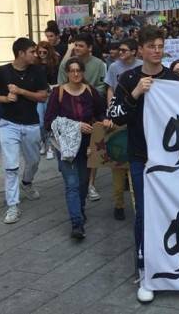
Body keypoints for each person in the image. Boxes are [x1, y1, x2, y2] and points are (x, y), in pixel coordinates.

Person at [108, 25, 179, 303]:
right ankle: (144, 266)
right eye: (151, 46)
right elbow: (115, 115)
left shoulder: (174, 78)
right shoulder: (128, 78)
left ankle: (173, 259)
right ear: (141, 49)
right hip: (141, 158)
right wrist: (136, 92)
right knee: (143, 212)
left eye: (161, 46)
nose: (157, 51)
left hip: (173, 159)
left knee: (174, 210)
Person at [0, 38, 48, 224]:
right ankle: (13, 206)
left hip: (31, 124)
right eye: (32, 51)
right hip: (8, 124)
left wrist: (21, 92)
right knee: (11, 166)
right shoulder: (1, 72)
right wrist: (4, 99)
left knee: (33, 161)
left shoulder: (37, 71)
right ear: (21, 53)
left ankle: (27, 183)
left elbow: (42, 96)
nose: (35, 54)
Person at [44, 58, 107, 239]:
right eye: (72, 70)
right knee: (71, 183)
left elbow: (100, 112)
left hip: (87, 145)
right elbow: (49, 122)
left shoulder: (90, 92)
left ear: (83, 72)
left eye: (79, 70)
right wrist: (75, 126)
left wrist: (104, 121)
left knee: (83, 182)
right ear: (67, 73)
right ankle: (76, 224)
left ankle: (79, 210)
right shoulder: (59, 93)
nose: (76, 73)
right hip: (65, 146)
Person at [58, 33, 107, 202]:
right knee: (74, 159)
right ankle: (75, 183)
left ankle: (90, 184)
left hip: (91, 112)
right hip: (70, 116)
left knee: (92, 152)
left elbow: (102, 85)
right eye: (75, 45)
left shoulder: (99, 64)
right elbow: (60, 86)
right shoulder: (66, 63)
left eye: (80, 45)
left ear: (89, 47)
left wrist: (88, 92)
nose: (77, 48)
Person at [103, 38, 142, 221]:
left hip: (136, 118)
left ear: (134, 51)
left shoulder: (143, 66)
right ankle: (118, 203)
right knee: (117, 162)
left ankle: (138, 205)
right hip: (119, 118)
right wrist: (111, 112)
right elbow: (110, 90)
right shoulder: (113, 68)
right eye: (120, 50)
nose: (121, 53)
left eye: (125, 50)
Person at [36, 41, 59, 159]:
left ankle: (50, 146)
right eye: (39, 52)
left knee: (50, 121)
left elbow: (58, 80)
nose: (41, 54)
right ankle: (42, 143)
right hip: (39, 95)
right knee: (40, 123)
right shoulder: (35, 64)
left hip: (51, 95)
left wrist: (52, 87)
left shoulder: (54, 63)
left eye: (44, 52)